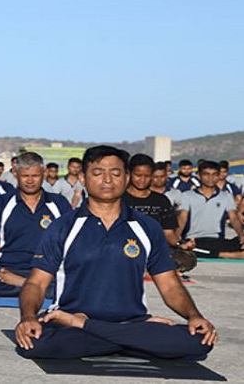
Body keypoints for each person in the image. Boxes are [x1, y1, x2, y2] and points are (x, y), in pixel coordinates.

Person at [15, 146, 216, 360]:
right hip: (69, 323)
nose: (107, 180)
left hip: (121, 321)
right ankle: (131, 340)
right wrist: (28, 317)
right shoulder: (63, 227)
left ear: (127, 177)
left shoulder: (146, 227)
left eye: (116, 173)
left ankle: (101, 331)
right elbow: (36, 283)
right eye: (98, 173)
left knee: (198, 341)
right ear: (83, 178)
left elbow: (169, 284)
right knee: (35, 344)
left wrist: (194, 316)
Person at [0, 152, 71, 297]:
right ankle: (38, 288)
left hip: (46, 269)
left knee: (75, 283)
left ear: (43, 174)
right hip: (9, 268)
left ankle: (24, 284)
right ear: (16, 174)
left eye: (35, 176)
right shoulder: (1, 202)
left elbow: (71, 239)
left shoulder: (58, 203)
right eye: (25, 176)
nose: (30, 181)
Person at [176, 161, 244, 259]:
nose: (210, 178)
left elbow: (233, 217)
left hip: (218, 240)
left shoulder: (226, 196)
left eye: (214, 175)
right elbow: (182, 217)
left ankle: (219, 252)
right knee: (187, 249)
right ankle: (228, 255)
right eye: (206, 175)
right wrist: (177, 237)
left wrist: (241, 235)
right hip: (194, 239)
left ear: (218, 176)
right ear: (199, 176)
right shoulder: (187, 195)